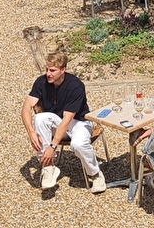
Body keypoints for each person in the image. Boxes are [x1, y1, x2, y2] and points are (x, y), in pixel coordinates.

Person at [22, 51, 106, 193]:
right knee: (40, 118)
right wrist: (31, 132)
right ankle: (48, 168)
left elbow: (67, 120)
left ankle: (95, 174)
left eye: (52, 70)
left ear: (63, 70)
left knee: (78, 144)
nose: (48, 73)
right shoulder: (41, 82)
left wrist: (52, 147)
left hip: (79, 122)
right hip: (58, 122)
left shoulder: (75, 86)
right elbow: (25, 107)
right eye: (47, 69)